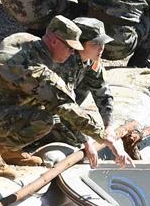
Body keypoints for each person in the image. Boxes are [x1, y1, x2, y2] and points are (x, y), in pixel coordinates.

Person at [0, 16, 131, 179]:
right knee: (44, 121)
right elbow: (65, 105)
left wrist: (106, 127)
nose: (71, 53)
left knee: (44, 106)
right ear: (53, 41)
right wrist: (101, 136)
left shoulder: (27, 41)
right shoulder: (35, 70)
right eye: (69, 47)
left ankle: (9, 149)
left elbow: (96, 92)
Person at [44, 17, 117, 147]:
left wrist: (109, 125)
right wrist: (85, 140)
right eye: (95, 44)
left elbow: (102, 92)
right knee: (74, 140)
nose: (101, 48)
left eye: (102, 43)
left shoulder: (91, 60)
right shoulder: (63, 62)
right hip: (50, 107)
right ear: (79, 44)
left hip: (67, 106)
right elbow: (62, 105)